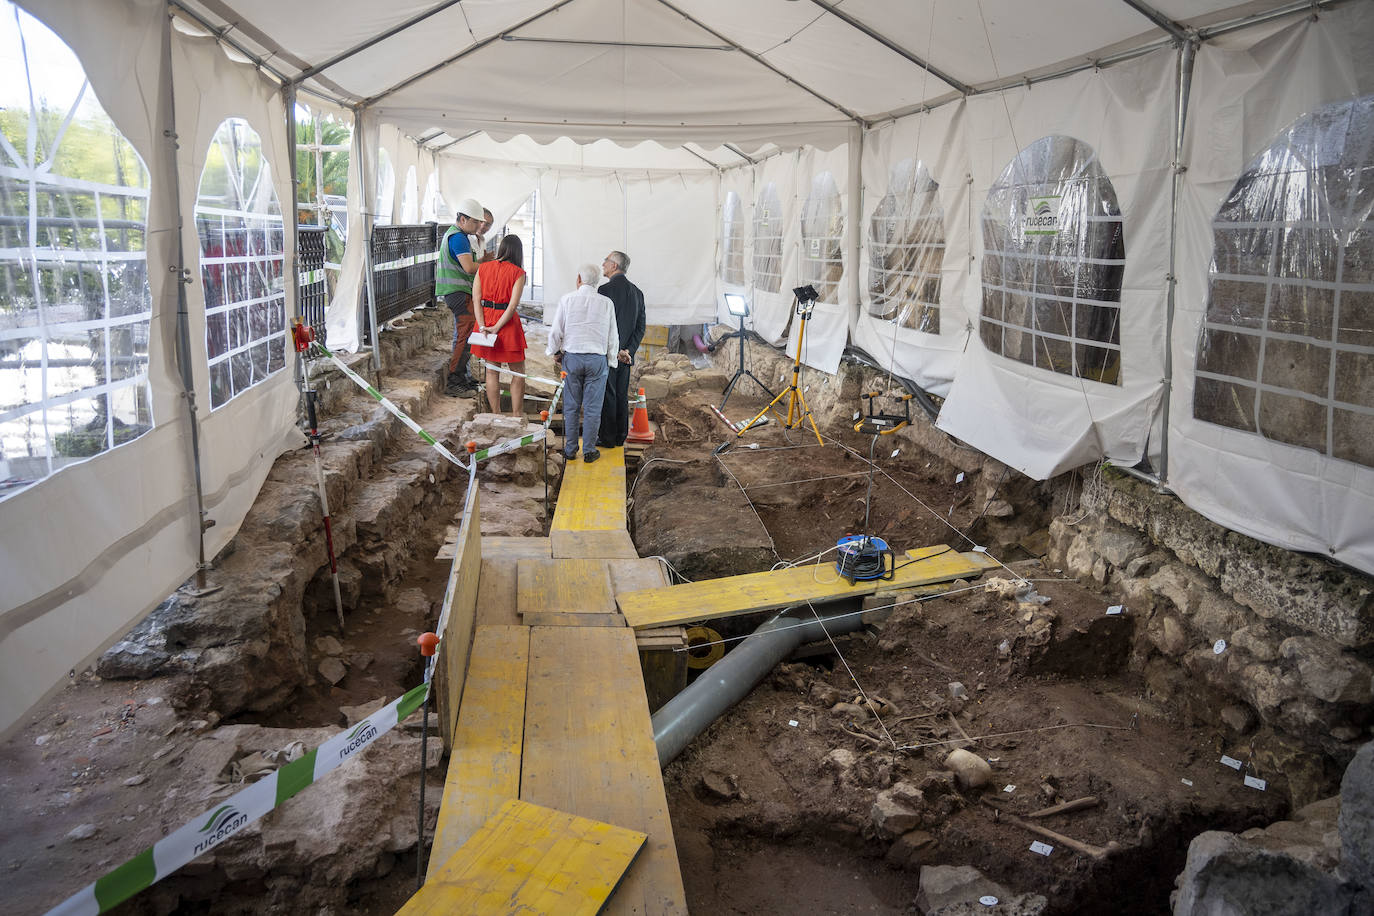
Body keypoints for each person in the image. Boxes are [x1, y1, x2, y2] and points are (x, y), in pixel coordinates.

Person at [546, 263, 618, 463]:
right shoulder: (606, 303)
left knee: (571, 406)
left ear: (579, 279)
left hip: (573, 358)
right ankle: (588, 451)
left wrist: (555, 352)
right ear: (597, 282)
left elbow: (556, 331)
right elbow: (613, 335)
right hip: (596, 359)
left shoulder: (567, 299)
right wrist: (611, 360)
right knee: (593, 408)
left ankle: (570, 450)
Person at [470, 235, 528, 417]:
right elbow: (512, 306)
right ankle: (517, 415)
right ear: (518, 252)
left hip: (485, 320)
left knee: (492, 371)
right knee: (518, 373)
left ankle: (495, 414)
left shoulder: (483, 268)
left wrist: (482, 326)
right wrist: (497, 327)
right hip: (507, 325)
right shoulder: (518, 273)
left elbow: (476, 298)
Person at [435, 198, 484, 397]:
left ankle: (461, 377)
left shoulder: (457, 235)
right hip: (458, 293)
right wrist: (490, 265)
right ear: (462, 219)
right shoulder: (458, 238)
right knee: (466, 336)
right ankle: (455, 381)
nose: (478, 226)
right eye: (475, 222)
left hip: (457, 292)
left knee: (464, 335)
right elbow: (469, 268)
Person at [596, 250, 646, 449]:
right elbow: (640, 327)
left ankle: (607, 437)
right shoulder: (637, 293)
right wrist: (628, 351)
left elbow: (601, 324)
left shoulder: (604, 291)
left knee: (608, 394)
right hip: (625, 355)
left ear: (614, 265)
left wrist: (613, 350)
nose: (603, 264)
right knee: (621, 394)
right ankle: (620, 435)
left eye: (606, 261)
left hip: (608, 353)